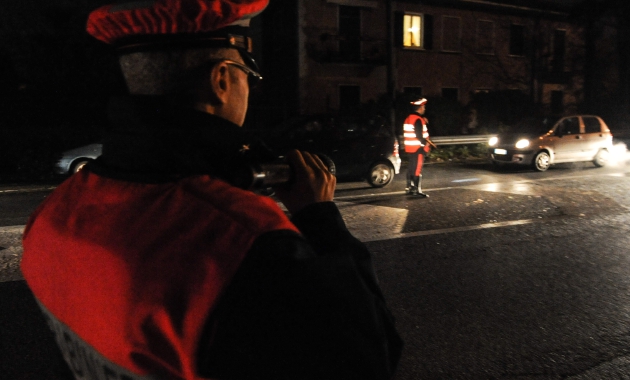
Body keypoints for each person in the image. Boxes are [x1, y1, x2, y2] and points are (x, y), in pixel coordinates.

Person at [20, 1, 402, 379]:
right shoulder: (245, 242)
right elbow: (371, 358)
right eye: (248, 76)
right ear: (221, 79)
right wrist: (320, 217)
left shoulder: (52, 215)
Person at [403, 97, 436, 197]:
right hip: (418, 148)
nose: (424, 109)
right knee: (417, 168)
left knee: (411, 168)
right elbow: (419, 135)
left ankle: (409, 187)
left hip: (410, 148)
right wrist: (424, 145)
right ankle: (417, 191)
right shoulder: (418, 120)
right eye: (424, 107)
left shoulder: (408, 118)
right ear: (420, 108)